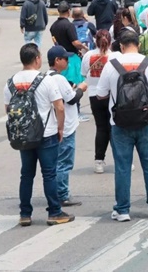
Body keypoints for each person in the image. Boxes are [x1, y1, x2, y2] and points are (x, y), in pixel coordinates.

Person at [96, 30, 148, 222]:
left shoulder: (111, 66)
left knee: (122, 167)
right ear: (138, 44)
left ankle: (122, 210)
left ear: (121, 46)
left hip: (119, 124)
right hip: (147, 123)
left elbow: (101, 94)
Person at [4, 43, 73, 227]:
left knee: (26, 175)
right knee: (49, 174)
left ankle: (25, 214)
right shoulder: (46, 80)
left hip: (24, 136)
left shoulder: (11, 82)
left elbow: (8, 110)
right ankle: (54, 212)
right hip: (47, 134)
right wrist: (60, 129)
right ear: (37, 59)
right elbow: (59, 107)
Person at [47, 46, 88, 207]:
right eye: (65, 59)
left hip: (51, 127)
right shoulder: (59, 79)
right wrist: (81, 89)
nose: (68, 62)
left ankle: (54, 192)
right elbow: (71, 99)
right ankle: (62, 195)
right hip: (65, 127)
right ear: (57, 61)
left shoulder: (46, 77)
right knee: (64, 162)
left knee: (54, 162)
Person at [81, 30, 118, 174]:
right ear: (110, 41)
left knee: (101, 128)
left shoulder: (88, 56)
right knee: (115, 128)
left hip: (94, 95)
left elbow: (84, 74)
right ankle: (120, 158)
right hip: (112, 95)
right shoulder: (115, 56)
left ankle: (99, 161)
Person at [50, 1, 88, 85]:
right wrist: (84, 47)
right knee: (74, 83)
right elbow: (75, 42)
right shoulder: (69, 25)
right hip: (71, 57)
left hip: (59, 57)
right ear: (68, 11)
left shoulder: (53, 26)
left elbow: (54, 41)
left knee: (62, 82)